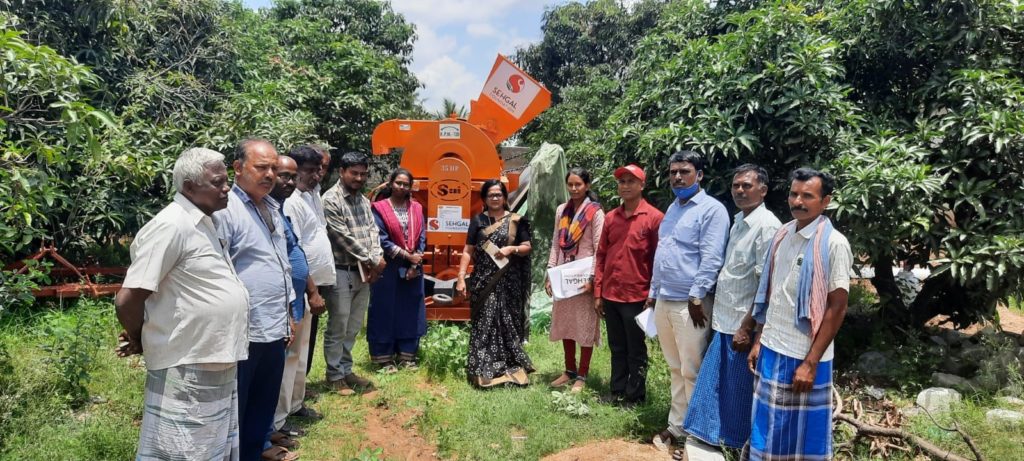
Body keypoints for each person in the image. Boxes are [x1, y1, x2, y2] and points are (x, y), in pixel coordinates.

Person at [115, 147, 248, 461]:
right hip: (187, 363)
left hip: (211, 357)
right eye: (218, 183)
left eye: (226, 181)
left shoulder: (203, 222)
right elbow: (129, 297)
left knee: (207, 448)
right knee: (183, 449)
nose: (226, 188)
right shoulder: (171, 225)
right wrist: (139, 337)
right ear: (189, 187)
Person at [742, 168, 852, 461]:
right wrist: (759, 340)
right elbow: (774, 295)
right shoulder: (783, 233)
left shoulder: (834, 244)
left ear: (825, 201)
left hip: (803, 357)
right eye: (794, 193)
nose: (798, 201)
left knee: (802, 441)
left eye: (808, 195)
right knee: (768, 432)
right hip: (773, 348)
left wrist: (811, 363)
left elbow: (837, 307)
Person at [682, 164, 781, 458]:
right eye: (736, 185)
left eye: (746, 186)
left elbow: (767, 285)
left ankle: (737, 446)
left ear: (763, 190)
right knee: (715, 384)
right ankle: (713, 440)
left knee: (737, 392)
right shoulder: (739, 220)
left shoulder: (767, 226)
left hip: (742, 326)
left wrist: (748, 328)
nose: (739, 190)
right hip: (725, 321)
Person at [213, 138, 297, 461]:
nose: (270, 175)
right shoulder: (228, 209)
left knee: (262, 409)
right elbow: (220, 267)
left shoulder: (271, 207)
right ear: (237, 168)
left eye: (273, 168)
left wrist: (288, 310)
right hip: (244, 332)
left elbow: (281, 265)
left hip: (274, 327)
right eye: (261, 167)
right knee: (237, 411)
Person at [649, 150, 730, 452]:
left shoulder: (711, 210)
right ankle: (676, 426)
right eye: (673, 172)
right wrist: (653, 293)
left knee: (692, 369)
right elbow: (664, 254)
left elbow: (711, 257)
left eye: (684, 171)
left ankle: (696, 435)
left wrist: (697, 295)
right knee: (674, 367)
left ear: (700, 175)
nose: (678, 177)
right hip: (665, 300)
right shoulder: (673, 208)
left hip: (690, 304)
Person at [594, 164, 664, 406]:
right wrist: (598, 292)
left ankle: (635, 396)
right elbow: (601, 255)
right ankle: (617, 391)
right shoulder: (611, 217)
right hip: (611, 294)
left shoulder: (654, 218)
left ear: (642, 185)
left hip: (637, 296)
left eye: (631, 181)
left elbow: (659, 258)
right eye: (622, 182)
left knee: (636, 349)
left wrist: (653, 295)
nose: (625, 186)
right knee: (616, 346)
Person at [269, 155, 325, 448]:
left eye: (292, 177)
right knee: (283, 363)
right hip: (280, 302)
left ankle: (290, 408)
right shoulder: (274, 208)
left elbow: (297, 252)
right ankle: (275, 422)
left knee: (297, 359)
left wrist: (312, 290)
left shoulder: (281, 209)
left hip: (299, 296)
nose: (288, 182)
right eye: (283, 176)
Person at [456, 179, 534, 388]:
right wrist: (461, 277)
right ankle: (482, 367)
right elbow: (468, 250)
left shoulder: (517, 221)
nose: (495, 198)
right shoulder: (478, 221)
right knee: (485, 322)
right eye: (490, 195)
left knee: (507, 321)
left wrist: (512, 249)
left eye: (498, 194)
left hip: (509, 281)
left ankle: (511, 364)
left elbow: (527, 246)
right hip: (484, 281)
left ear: (505, 197)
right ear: (484, 198)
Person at [322, 151, 385, 396]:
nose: (359, 178)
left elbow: (372, 231)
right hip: (342, 271)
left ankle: (346, 369)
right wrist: (373, 260)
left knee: (353, 325)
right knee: (339, 324)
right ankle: (334, 375)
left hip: (363, 272)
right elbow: (342, 237)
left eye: (363, 174)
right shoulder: (331, 199)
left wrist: (376, 258)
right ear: (342, 172)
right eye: (354, 173)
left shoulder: (363, 201)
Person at [545, 167, 605, 393]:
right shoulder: (562, 210)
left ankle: (582, 374)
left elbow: (600, 248)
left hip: (584, 276)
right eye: (570, 184)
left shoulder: (595, 212)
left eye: (578, 184)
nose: (574, 188)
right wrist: (551, 272)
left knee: (585, 325)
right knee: (566, 324)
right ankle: (569, 370)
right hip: (563, 275)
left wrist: (593, 278)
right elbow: (555, 244)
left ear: (587, 185)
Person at [368, 168, 427, 371]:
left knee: (410, 309)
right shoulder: (378, 208)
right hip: (387, 267)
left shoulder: (417, 208)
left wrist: (414, 263)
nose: (402, 187)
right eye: (398, 183)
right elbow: (380, 238)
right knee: (385, 308)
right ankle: (383, 357)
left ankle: (407, 356)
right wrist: (406, 256)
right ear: (390, 183)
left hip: (413, 268)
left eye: (406, 184)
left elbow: (422, 236)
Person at [305, 145, 334, 376]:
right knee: (299, 337)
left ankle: (300, 386)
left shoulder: (315, 194)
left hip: (318, 278)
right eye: (316, 168)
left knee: (310, 334)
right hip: (305, 280)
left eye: (323, 168)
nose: (320, 173)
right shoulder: (296, 197)